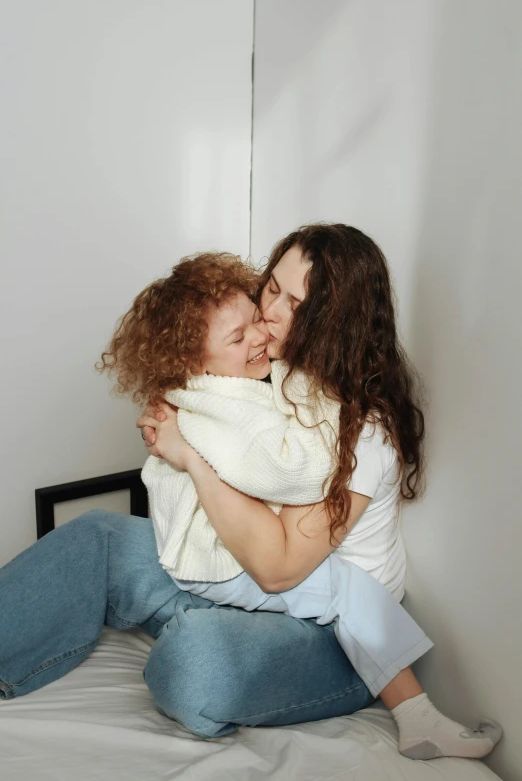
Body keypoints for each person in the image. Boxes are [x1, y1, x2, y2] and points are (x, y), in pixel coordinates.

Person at [0, 225, 501, 761]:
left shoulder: (361, 430)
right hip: (239, 574)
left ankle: (214, 635)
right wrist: (177, 415)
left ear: (335, 320)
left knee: (194, 663)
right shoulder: (274, 369)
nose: (271, 314)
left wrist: (190, 455)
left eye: (296, 302)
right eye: (272, 290)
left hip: (336, 637)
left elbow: (279, 569)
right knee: (96, 535)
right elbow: (212, 396)